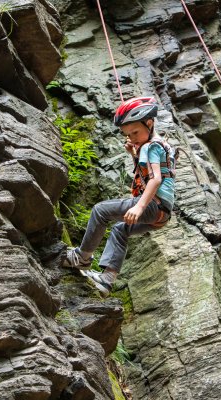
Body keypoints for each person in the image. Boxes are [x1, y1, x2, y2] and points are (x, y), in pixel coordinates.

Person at [62, 96, 176, 296]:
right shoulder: (160, 145)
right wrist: (133, 154)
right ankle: (106, 281)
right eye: (127, 134)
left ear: (149, 123)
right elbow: (149, 173)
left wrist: (139, 206)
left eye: (135, 132)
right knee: (120, 229)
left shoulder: (150, 146)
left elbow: (155, 179)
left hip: (152, 206)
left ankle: (82, 258)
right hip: (163, 213)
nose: (132, 138)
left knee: (101, 211)